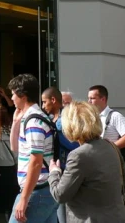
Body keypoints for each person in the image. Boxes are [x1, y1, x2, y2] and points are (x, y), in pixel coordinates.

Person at [48, 101, 125, 223]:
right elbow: (124, 184)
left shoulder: (79, 155)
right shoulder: (111, 146)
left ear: (71, 126)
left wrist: (54, 172)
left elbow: (60, 194)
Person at [7, 73, 58, 223]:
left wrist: (23, 199)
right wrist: (16, 122)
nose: (11, 99)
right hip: (44, 191)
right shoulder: (34, 118)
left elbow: (36, 161)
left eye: (13, 94)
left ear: (23, 96)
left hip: (37, 193)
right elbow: (16, 148)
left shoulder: (33, 121)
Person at [41, 87, 79, 223]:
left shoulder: (64, 120)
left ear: (53, 100)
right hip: (54, 170)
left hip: (66, 169)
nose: (43, 106)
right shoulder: (49, 119)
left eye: (45, 102)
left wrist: (56, 136)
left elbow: (75, 145)